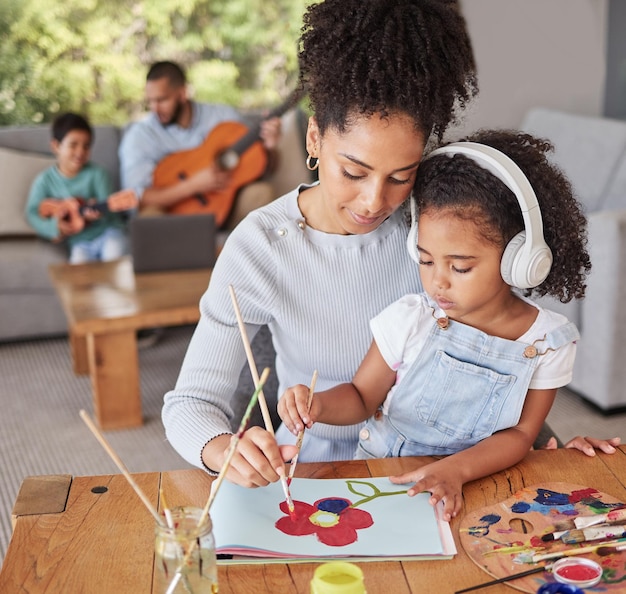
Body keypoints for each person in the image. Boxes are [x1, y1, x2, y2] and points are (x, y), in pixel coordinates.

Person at [162, 0, 479, 483]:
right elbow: (190, 404)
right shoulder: (262, 245)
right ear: (314, 138)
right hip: (320, 479)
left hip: (440, 470)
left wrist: (542, 439)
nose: (374, 201)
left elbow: (508, 340)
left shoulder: (437, 223)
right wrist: (222, 448)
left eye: (401, 176)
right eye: (353, 171)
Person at [277, 129, 617, 522]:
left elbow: (521, 436)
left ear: (518, 260)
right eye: (425, 260)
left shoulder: (547, 341)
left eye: (460, 267)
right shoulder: (411, 318)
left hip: (478, 486)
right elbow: (360, 396)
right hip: (388, 485)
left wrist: (455, 470)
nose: (438, 281)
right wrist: (316, 404)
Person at [118, 60, 282, 229]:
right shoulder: (140, 136)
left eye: (162, 100)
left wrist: (270, 147)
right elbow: (135, 197)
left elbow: (260, 166)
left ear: (183, 93)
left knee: (262, 192)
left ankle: (238, 250)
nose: (155, 109)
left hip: (223, 207)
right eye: (150, 101)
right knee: (149, 218)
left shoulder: (223, 116)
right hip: (173, 219)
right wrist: (193, 185)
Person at [25, 112, 137, 264]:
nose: (80, 152)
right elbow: (32, 213)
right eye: (73, 145)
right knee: (79, 267)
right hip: (79, 242)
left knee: (114, 250)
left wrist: (98, 213)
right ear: (56, 146)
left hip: (107, 232)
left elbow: (108, 209)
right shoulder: (44, 181)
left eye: (86, 146)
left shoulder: (98, 174)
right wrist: (54, 226)